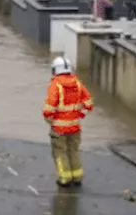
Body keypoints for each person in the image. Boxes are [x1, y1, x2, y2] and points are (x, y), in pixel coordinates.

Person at [42, 56, 95, 188]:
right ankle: (77, 177)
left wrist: (49, 119)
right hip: (75, 127)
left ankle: (65, 179)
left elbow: (49, 107)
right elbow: (89, 104)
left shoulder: (56, 85)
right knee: (74, 151)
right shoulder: (77, 83)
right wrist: (80, 115)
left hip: (59, 128)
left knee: (60, 152)